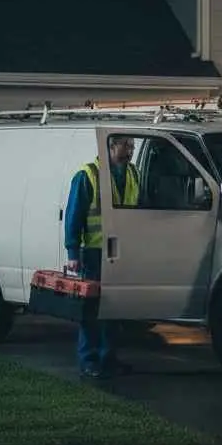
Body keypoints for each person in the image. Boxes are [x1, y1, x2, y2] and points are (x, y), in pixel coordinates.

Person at [64, 135, 140, 378]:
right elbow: (74, 215)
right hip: (95, 252)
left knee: (113, 309)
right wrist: (73, 251)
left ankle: (108, 358)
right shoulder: (87, 175)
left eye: (131, 146)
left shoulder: (133, 174)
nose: (130, 150)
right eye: (125, 145)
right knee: (92, 310)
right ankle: (89, 359)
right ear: (110, 145)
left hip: (120, 251)